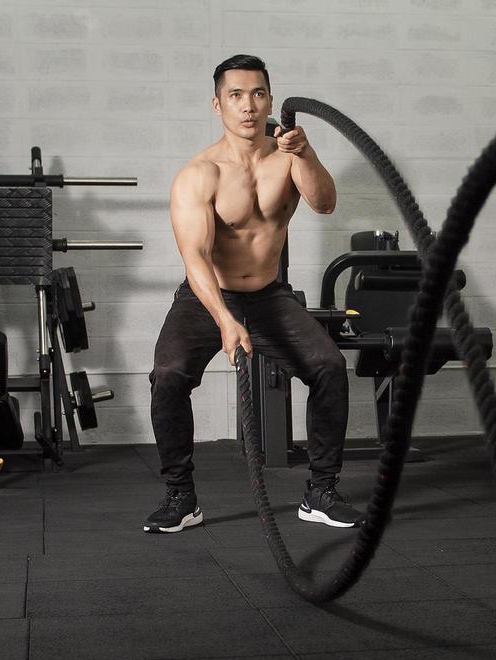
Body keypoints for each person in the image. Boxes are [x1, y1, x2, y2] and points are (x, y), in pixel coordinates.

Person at [143, 54, 364, 533]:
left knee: (328, 367)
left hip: (269, 295)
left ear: (269, 99)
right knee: (168, 375)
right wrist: (224, 318)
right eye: (236, 95)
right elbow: (196, 257)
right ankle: (181, 497)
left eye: (258, 94)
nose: (248, 106)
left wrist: (306, 153)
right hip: (207, 295)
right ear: (217, 104)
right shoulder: (200, 173)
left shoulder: (288, 156)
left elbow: (325, 204)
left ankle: (321, 491)